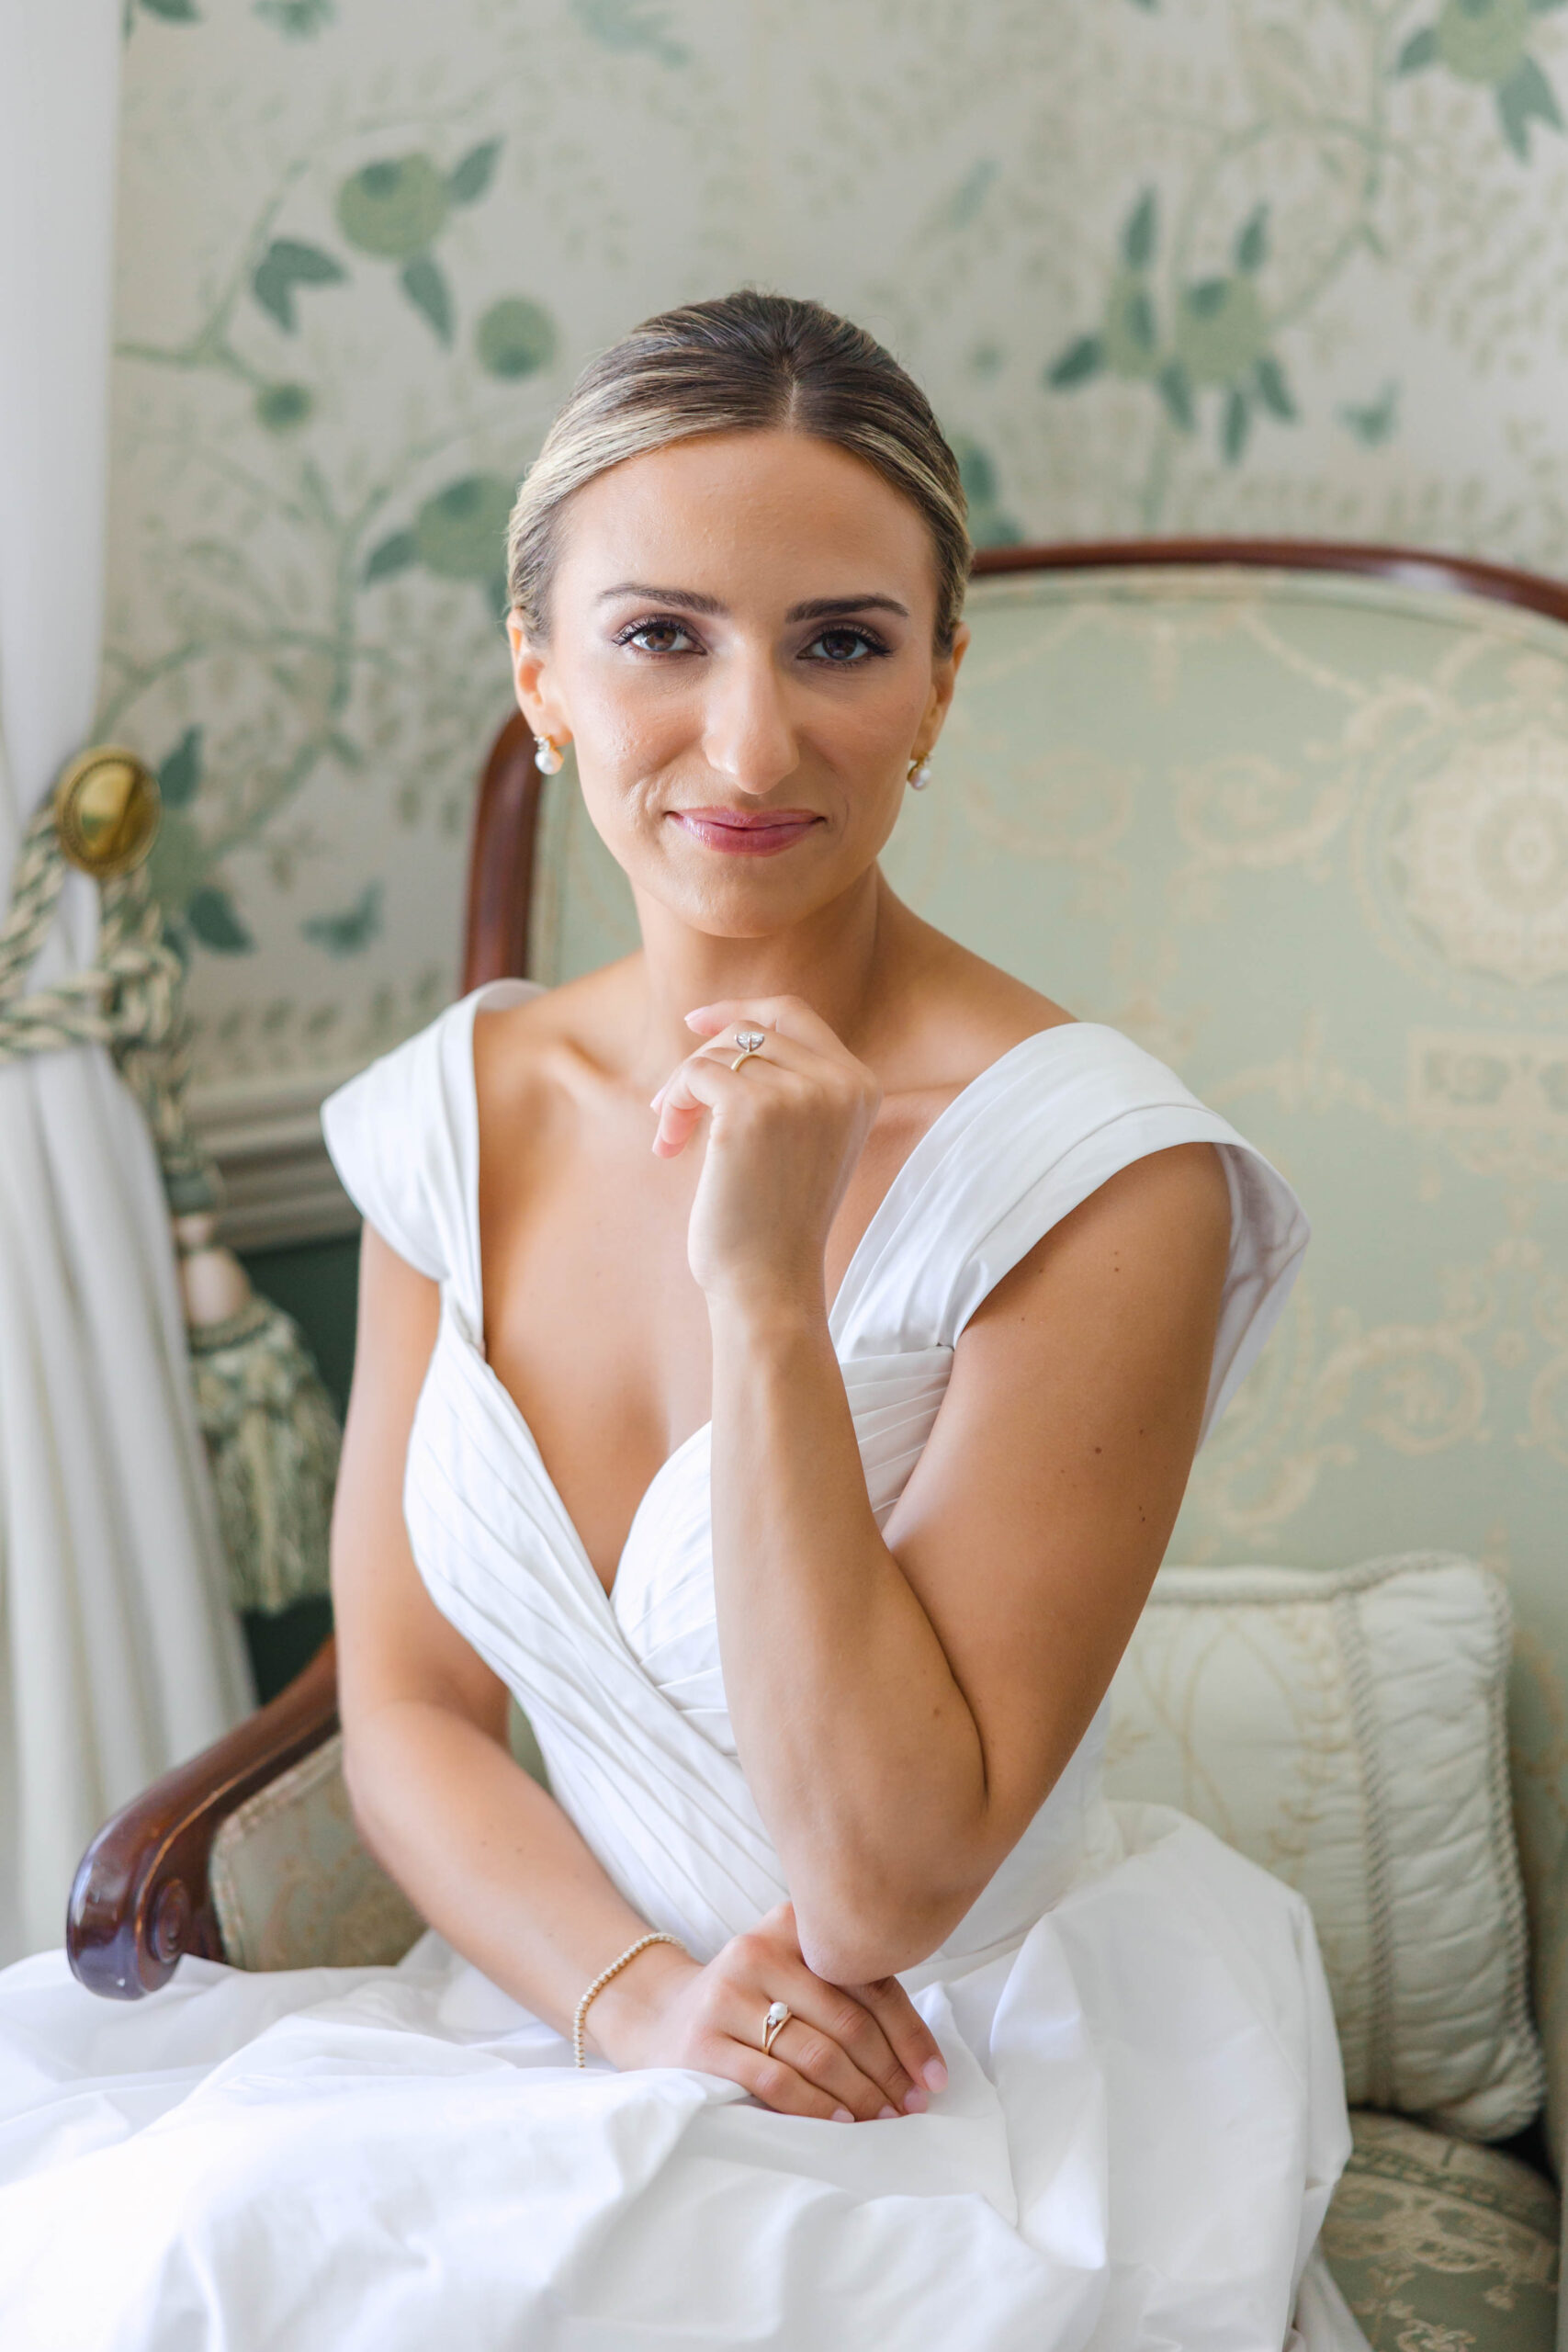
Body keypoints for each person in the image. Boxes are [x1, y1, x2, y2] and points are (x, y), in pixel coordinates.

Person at [0, 291, 1368, 2349]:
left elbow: (885, 1884)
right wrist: (628, 1992)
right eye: (661, 635)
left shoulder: (1103, 1174)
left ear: (934, 687)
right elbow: (413, 1714)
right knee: (153, 2258)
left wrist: (764, 1291)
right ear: (539, 677)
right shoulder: (443, 1120)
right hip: (573, 1995)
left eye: (839, 640)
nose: (749, 741)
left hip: (940, 2067)